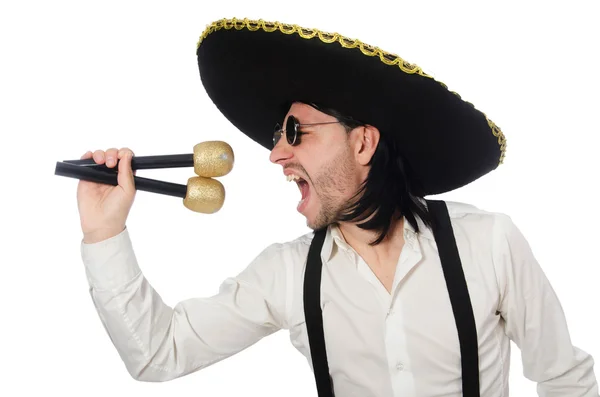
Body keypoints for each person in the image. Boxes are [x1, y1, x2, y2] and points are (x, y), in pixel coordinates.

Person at [77, 18, 599, 396]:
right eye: (278, 136)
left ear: (363, 144)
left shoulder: (488, 242)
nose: (277, 154)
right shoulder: (287, 274)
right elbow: (157, 353)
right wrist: (105, 232)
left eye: (295, 132)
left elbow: (564, 379)